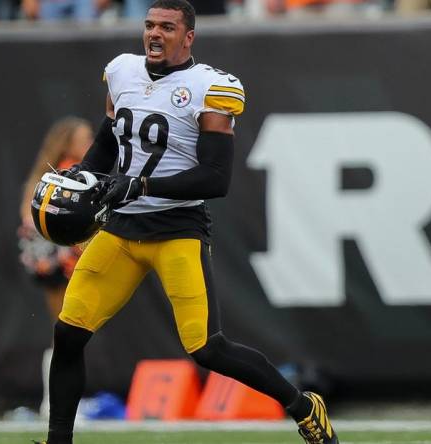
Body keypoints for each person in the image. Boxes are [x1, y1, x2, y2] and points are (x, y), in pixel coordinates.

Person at [33, 1, 339, 443]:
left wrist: (137, 186)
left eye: (168, 27)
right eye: (150, 25)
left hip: (176, 229)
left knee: (207, 347)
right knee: (69, 333)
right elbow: (108, 139)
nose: (155, 34)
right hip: (121, 229)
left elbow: (216, 177)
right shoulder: (122, 72)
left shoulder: (208, 87)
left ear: (188, 36)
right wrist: (86, 173)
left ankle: (302, 405)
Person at [18, 117, 94, 418]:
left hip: (58, 259)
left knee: (67, 330)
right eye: (84, 137)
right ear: (68, 142)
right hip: (60, 261)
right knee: (66, 329)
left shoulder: (54, 173)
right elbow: (32, 221)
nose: (90, 142)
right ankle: (55, 403)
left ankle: (58, 402)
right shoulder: (65, 173)